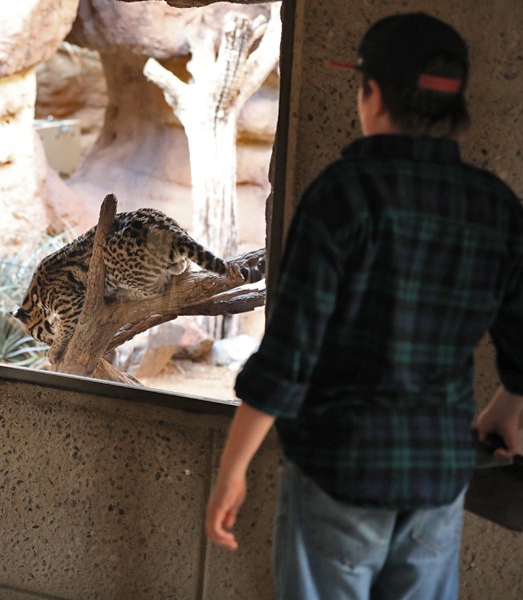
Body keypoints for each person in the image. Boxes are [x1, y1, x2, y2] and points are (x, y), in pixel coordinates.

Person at [205, 12, 523, 600]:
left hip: (342, 468)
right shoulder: (497, 208)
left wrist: (232, 470)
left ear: (371, 94)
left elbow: (290, 356)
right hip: (439, 475)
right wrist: (509, 404)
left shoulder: (343, 195)